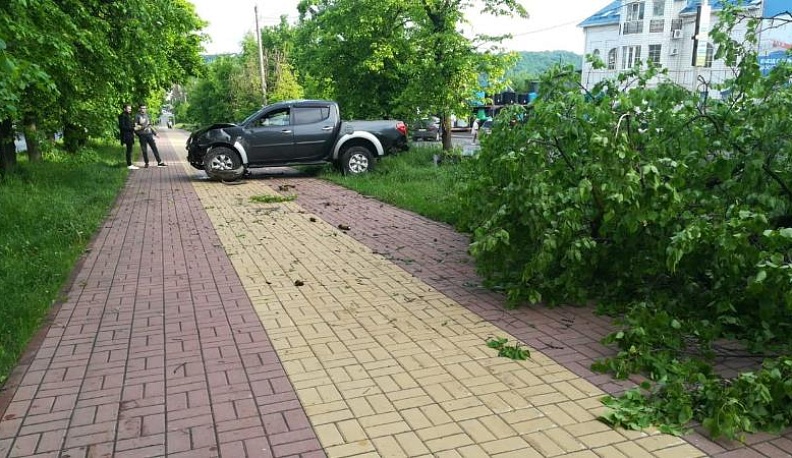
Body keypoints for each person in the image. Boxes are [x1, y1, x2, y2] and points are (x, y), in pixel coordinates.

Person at [118, 104, 138, 170]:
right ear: (124, 109)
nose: (130, 110)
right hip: (126, 135)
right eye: (128, 109)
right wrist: (132, 128)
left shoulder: (128, 115)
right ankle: (129, 165)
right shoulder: (122, 116)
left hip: (130, 135)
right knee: (129, 150)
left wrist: (134, 127)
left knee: (130, 150)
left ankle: (130, 164)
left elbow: (130, 125)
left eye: (130, 109)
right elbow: (122, 127)